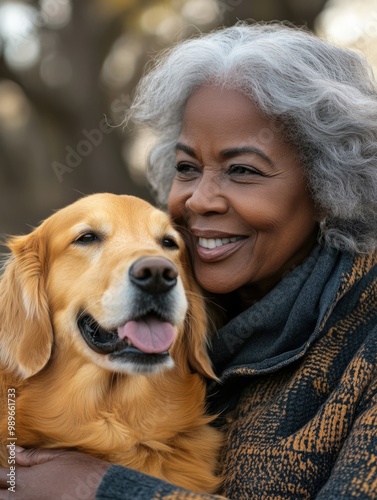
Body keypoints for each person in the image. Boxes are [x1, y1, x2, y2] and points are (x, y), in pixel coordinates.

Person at [1, 20, 377, 499]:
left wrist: (100, 487)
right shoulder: (185, 287)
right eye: (187, 168)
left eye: (242, 170)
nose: (200, 200)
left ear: (329, 187)